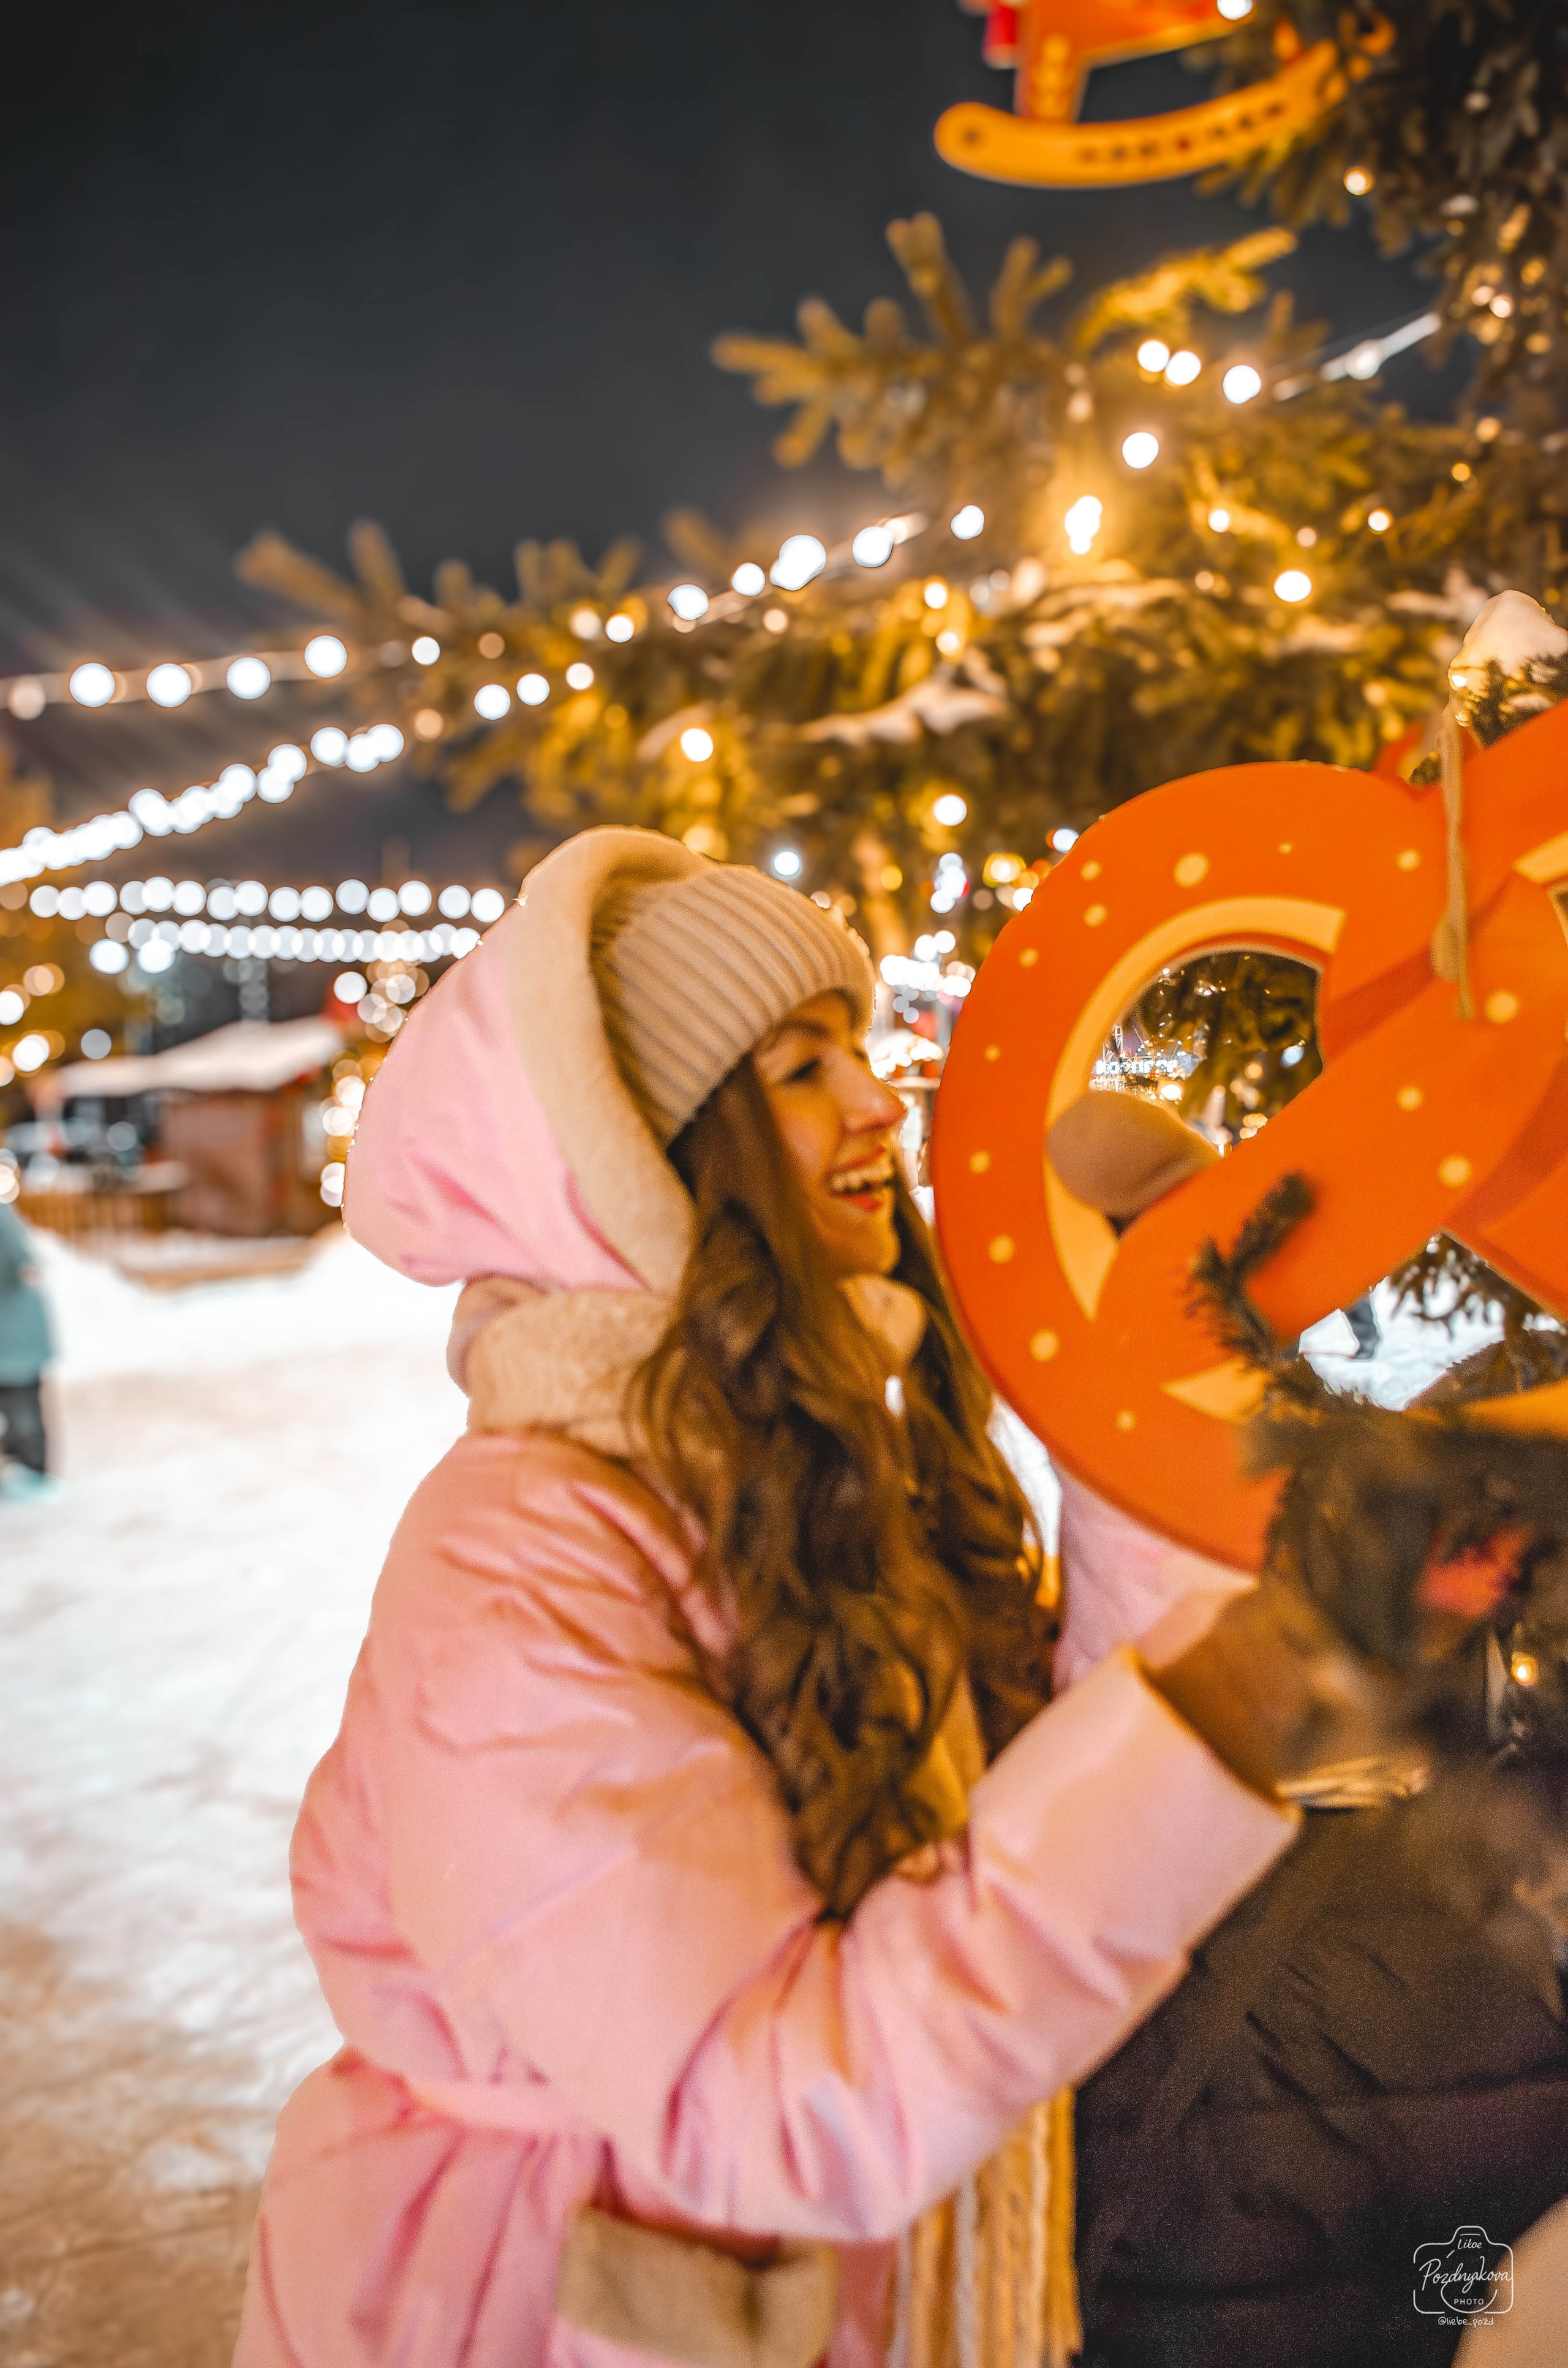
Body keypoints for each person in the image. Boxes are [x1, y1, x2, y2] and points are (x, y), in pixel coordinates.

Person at [235, 828, 1396, 2368]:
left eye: (855, 1046)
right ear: (649, 1158)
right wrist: (1211, 1716)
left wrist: (1137, 1404)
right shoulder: (515, 1557)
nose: (875, 1100)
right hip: (536, 2304)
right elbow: (779, 2100)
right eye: (796, 1067)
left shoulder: (829, 1463)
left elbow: (1038, 1801)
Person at [0, 1190, 53, 1498]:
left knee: (23, 1412)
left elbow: (24, 1261)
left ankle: (33, 1474)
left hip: (15, 1340)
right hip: (9, 1340)